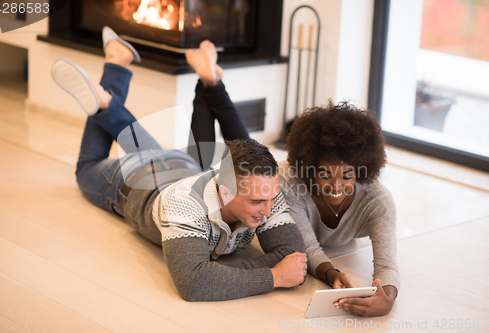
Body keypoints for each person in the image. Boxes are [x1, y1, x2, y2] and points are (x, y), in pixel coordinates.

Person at [51, 27, 307, 301]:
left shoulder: (264, 190)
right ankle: (110, 80)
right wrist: (275, 275)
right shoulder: (184, 206)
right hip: (137, 179)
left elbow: (292, 256)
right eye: (257, 202)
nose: (268, 211)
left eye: (271, 199)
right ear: (225, 192)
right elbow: (194, 283)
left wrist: (220, 272)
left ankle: (111, 81)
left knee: (153, 151)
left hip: (179, 165)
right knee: (87, 166)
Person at [279, 101, 399, 316]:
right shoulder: (288, 184)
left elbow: (387, 264)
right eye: (325, 174)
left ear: (361, 172)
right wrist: (332, 274)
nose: (336, 186)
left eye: (347, 176)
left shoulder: (377, 200)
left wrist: (387, 299)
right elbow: (309, 248)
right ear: (309, 168)